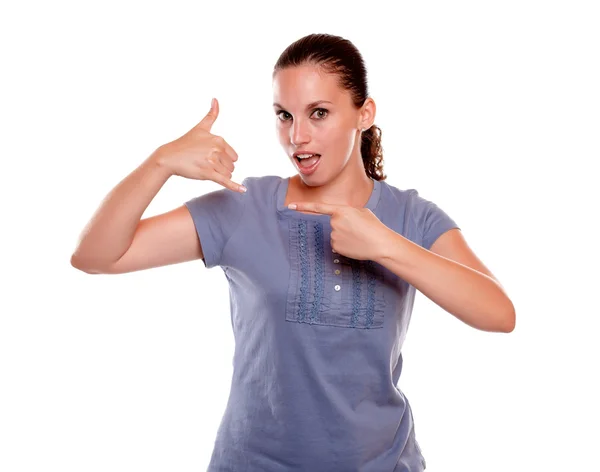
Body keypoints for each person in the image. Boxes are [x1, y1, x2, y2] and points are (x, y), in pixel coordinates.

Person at [71, 33, 515, 471]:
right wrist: (161, 162)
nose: (297, 136)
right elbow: (95, 256)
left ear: (365, 114)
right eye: (284, 116)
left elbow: (499, 314)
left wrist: (385, 245)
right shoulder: (243, 207)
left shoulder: (412, 217)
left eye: (318, 113)